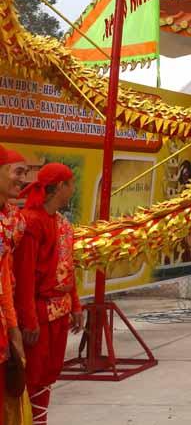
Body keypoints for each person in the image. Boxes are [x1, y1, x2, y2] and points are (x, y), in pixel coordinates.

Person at [15, 163, 84, 424]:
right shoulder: (31, 222)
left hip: (59, 311)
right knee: (32, 375)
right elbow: (24, 277)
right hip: (40, 312)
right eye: (71, 184)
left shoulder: (62, 223)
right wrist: (29, 320)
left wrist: (75, 305)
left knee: (48, 374)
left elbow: (68, 267)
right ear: (61, 187)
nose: (73, 189)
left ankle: (40, 420)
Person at [0, 146, 27, 419]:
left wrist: (13, 326)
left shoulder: (16, 220)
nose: (23, 180)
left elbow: (5, 278)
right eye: (17, 172)